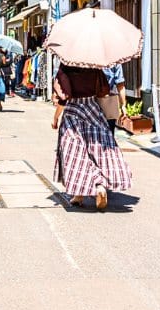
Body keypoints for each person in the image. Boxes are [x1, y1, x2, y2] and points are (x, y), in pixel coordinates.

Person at [52, 63, 132, 211]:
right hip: (93, 109)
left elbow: (64, 97)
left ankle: (89, 188)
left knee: (76, 155)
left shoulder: (66, 66)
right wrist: (122, 106)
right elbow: (103, 91)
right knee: (97, 150)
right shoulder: (95, 67)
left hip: (73, 112)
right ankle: (96, 187)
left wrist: (56, 118)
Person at [103, 63, 127, 133]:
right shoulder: (115, 60)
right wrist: (123, 105)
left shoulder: (89, 57)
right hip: (109, 100)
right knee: (110, 132)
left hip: (91, 100)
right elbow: (120, 85)